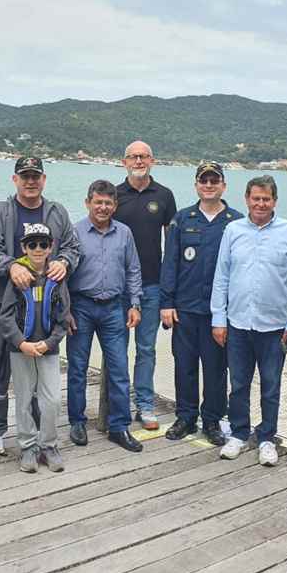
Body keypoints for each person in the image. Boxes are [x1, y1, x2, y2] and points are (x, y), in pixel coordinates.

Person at [0, 155, 81, 456]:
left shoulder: (57, 212)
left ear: (44, 179)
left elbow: (74, 247)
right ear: (15, 180)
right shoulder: (1, 211)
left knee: (41, 374)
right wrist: (11, 266)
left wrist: (64, 261)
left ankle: (38, 433)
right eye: (24, 175)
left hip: (47, 310)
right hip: (7, 305)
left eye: (35, 175)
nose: (30, 181)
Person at [211, 175, 287, 465]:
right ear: (247, 199)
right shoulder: (233, 230)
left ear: (274, 201)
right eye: (256, 198)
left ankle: (267, 438)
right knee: (238, 383)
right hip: (238, 323)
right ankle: (239, 434)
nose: (261, 204)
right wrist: (219, 318)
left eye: (266, 199)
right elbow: (221, 277)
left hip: (275, 326)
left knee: (271, 385)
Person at [159, 162, 242, 446]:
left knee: (216, 369)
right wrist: (166, 303)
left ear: (223, 185)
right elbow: (169, 263)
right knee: (184, 366)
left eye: (214, 180)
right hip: (184, 309)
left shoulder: (236, 221)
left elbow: (242, 269)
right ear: (196, 185)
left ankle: (212, 420)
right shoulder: (182, 219)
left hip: (219, 313)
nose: (209, 185)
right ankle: (185, 417)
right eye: (203, 180)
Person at [68, 180, 144, 452]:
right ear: (88, 202)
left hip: (114, 308)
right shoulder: (74, 232)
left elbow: (133, 270)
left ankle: (119, 427)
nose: (102, 207)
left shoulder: (124, 233)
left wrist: (135, 304)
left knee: (119, 370)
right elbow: (62, 274)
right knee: (77, 368)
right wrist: (64, 311)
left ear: (115, 205)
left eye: (108, 203)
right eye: (97, 202)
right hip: (81, 307)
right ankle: (77, 422)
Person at [0, 223, 72, 473]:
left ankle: (49, 444)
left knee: (52, 400)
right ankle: (28, 445)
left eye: (43, 244)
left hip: (48, 350)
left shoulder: (57, 279)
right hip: (21, 349)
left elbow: (63, 319)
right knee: (23, 399)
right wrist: (21, 343)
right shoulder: (17, 278)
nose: (38, 249)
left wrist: (49, 343)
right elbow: (5, 316)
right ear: (23, 247)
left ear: (51, 247)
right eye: (32, 244)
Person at [114, 140, 177, 430]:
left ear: (152, 160)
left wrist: (169, 291)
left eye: (143, 157)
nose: (138, 161)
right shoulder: (114, 195)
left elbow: (172, 246)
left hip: (152, 286)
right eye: (133, 157)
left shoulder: (164, 196)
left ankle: (145, 405)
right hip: (119, 288)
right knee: (116, 349)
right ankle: (117, 405)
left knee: (146, 349)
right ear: (124, 162)